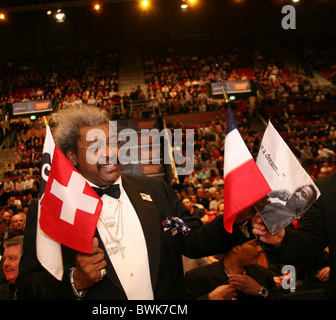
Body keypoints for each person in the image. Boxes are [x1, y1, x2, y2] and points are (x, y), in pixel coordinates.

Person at [17, 105, 252, 300]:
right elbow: (28, 287)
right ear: (71, 156)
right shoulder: (50, 208)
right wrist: (75, 281)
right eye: (95, 148)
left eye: (112, 142)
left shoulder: (155, 189)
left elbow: (193, 241)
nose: (109, 153)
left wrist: (237, 219)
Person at [252, 172, 336, 299]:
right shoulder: (323, 189)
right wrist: (280, 239)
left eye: (302, 195)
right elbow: (311, 244)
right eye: (299, 192)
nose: (297, 196)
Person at [184, 239, 281, 300]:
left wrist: (260, 291)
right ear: (235, 248)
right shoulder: (198, 277)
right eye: (254, 244)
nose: (260, 249)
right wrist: (209, 298)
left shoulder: (264, 275)